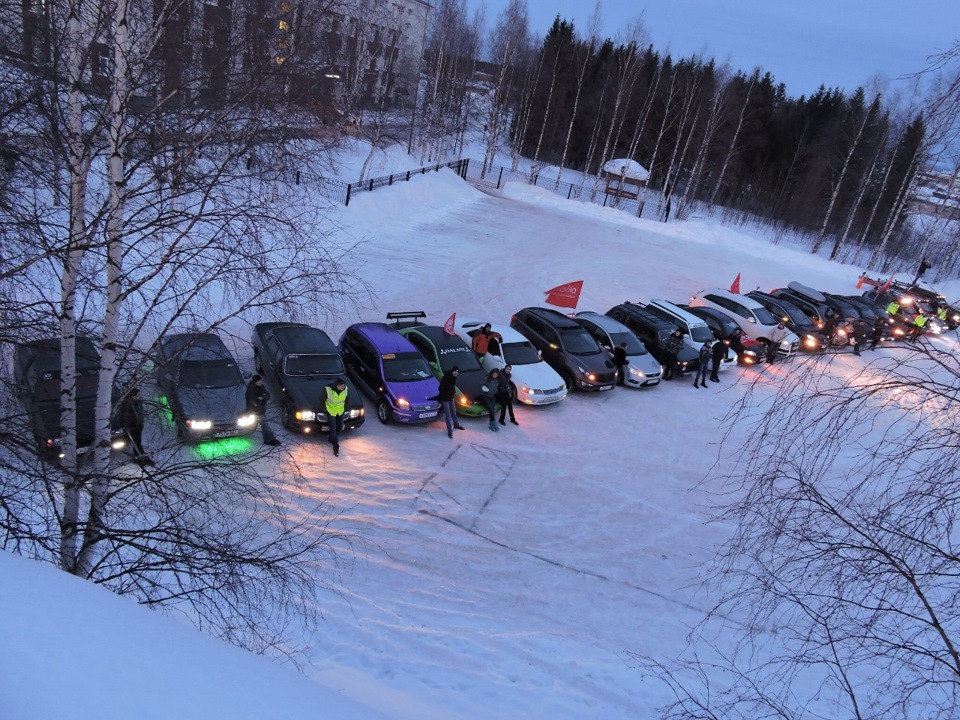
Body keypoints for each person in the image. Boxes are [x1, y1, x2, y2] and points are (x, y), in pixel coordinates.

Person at [119, 387, 153, 465]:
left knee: (138, 442)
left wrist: (141, 422)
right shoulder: (127, 403)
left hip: (139, 424)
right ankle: (139, 457)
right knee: (136, 442)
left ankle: (142, 456)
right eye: (137, 395)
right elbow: (124, 416)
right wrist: (126, 425)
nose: (138, 396)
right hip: (132, 426)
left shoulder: (137, 402)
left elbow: (140, 413)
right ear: (132, 395)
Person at [246, 374, 281, 447]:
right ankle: (269, 440)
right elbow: (254, 401)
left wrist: (262, 398)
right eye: (259, 381)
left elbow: (268, 395)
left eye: (261, 381)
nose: (261, 382)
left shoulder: (262, 387)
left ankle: (269, 439)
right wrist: (261, 399)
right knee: (265, 424)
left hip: (261, 410)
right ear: (255, 382)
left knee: (264, 424)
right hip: (255, 411)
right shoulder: (250, 390)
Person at [435, 366, 465, 439]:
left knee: (453, 412)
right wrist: (446, 393)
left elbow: (452, 387)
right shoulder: (446, 378)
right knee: (448, 415)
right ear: (452, 371)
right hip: (445, 399)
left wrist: (453, 392)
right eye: (455, 371)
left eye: (457, 372)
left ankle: (456, 425)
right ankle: (450, 432)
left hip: (451, 398)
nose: (456, 373)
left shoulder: (453, 377)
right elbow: (440, 388)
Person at [324, 378, 348, 456]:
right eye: (341, 386)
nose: (343, 387)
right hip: (331, 411)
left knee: (340, 428)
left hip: (340, 411)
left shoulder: (345, 389)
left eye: (344, 386)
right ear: (337, 385)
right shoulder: (328, 390)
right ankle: (336, 447)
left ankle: (331, 439)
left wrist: (345, 408)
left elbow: (347, 399)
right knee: (333, 429)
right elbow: (322, 400)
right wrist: (325, 410)